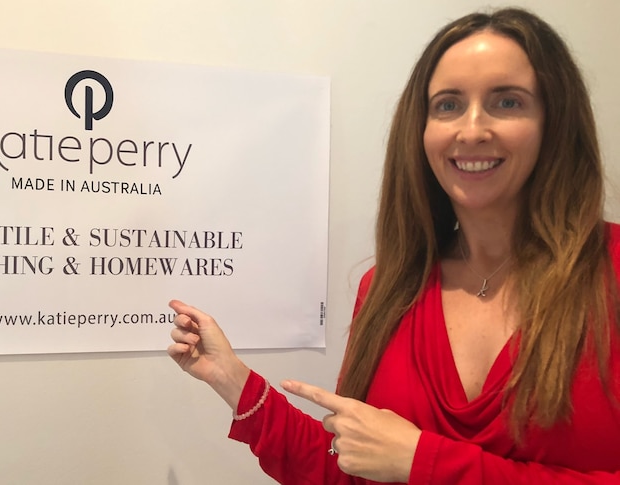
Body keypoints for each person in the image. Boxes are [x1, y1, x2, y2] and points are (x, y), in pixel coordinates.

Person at [167, 7, 620, 484]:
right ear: (420, 130)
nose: (471, 129)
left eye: (507, 102)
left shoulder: (609, 272)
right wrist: (231, 378)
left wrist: (427, 463)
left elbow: (407, 461)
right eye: (447, 104)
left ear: (556, 122)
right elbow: (351, 467)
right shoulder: (389, 285)